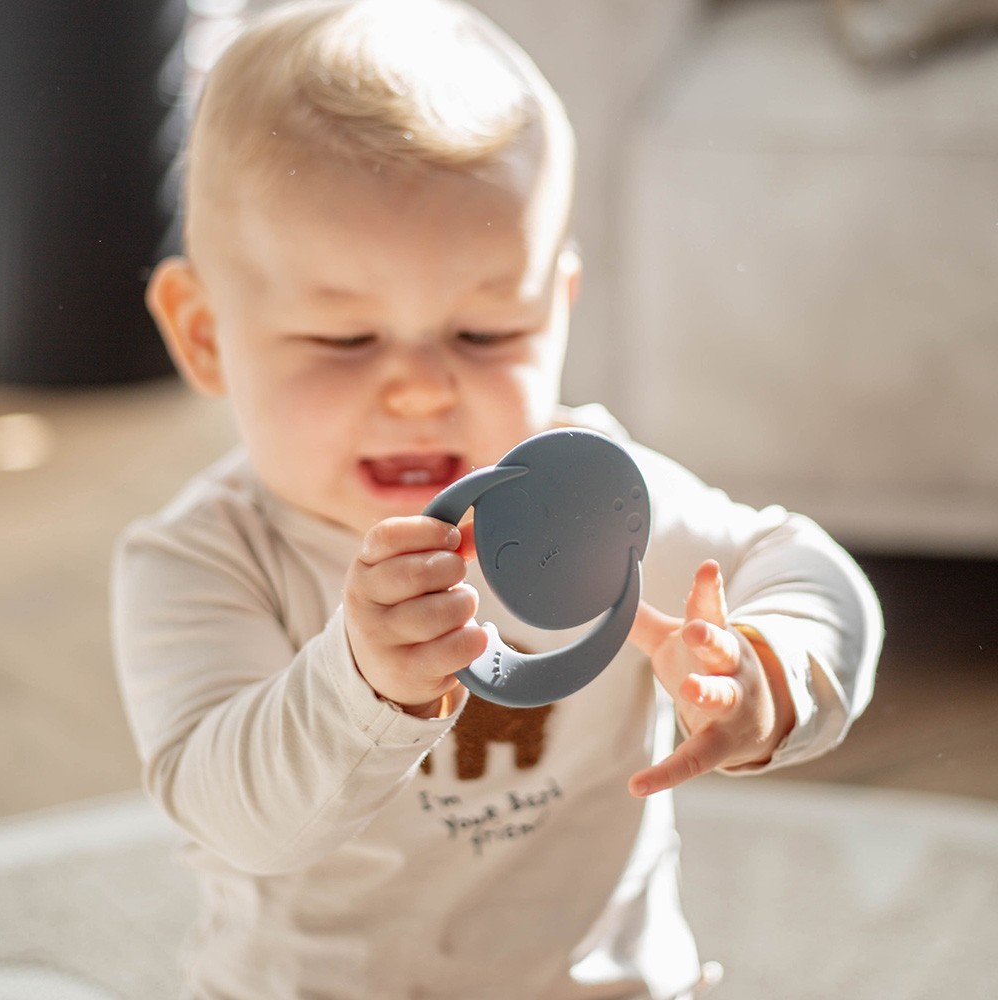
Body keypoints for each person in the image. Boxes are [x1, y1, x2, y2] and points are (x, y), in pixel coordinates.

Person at [111, 1, 883, 998]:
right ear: (206, 334)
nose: (424, 387)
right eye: (345, 341)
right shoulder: (199, 560)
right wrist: (363, 682)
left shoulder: (596, 494)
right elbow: (239, 818)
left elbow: (806, 563)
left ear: (553, 311)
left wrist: (773, 663)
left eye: (484, 333)